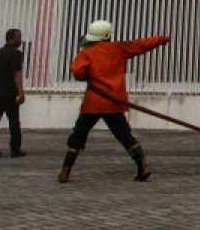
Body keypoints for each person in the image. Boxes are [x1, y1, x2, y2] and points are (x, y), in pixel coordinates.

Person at [58, 19, 170, 183]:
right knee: (125, 135)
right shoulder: (119, 48)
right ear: (108, 35)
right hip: (114, 101)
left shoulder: (87, 52)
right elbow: (141, 44)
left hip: (94, 103)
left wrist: (85, 76)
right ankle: (143, 166)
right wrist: (161, 39)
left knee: (78, 135)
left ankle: (65, 171)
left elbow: (78, 71)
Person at [0, 28, 26, 158]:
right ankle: (15, 148)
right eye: (18, 37)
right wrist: (21, 92)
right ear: (12, 39)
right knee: (13, 121)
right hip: (9, 92)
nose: (20, 40)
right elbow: (17, 73)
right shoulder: (16, 54)